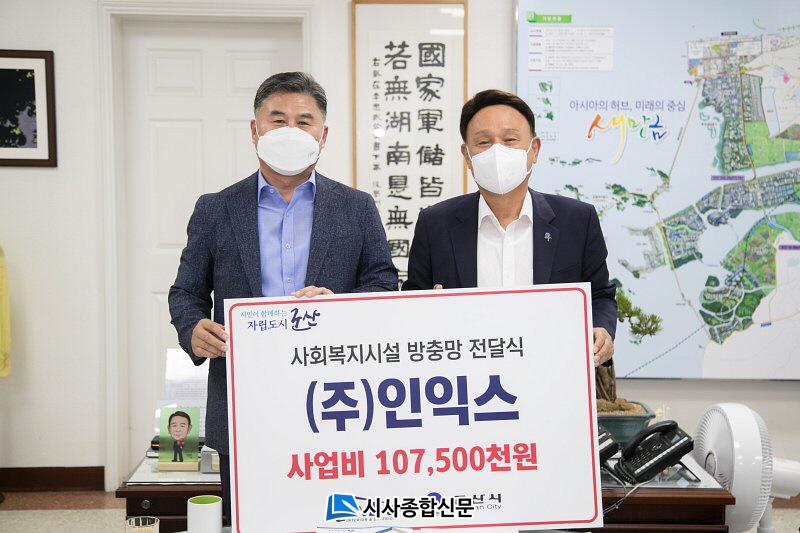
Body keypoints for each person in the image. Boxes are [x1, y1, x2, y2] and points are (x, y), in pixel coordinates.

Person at [169, 72, 397, 524]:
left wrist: (339, 306)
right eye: (278, 120)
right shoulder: (216, 208)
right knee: (250, 517)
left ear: (323, 135)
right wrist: (192, 328)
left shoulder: (356, 207)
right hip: (243, 397)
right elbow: (186, 292)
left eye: (304, 121)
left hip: (337, 399)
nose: (290, 130)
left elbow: (383, 285)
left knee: (334, 518)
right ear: (255, 130)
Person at [403, 89, 617, 367]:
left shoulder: (577, 220)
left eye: (510, 140)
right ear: (467, 156)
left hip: (552, 372)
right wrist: (429, 312)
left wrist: (602, 329)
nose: (497, 151)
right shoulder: (435, 224)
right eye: (483, 142)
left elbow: (600, 295)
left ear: (534, 150)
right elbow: (412, 304)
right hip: (466, 377)